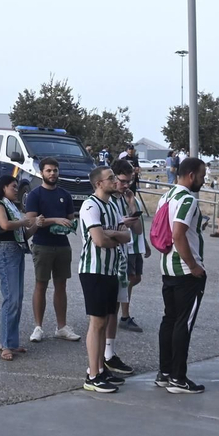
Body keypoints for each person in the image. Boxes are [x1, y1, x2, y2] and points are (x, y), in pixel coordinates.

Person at [76, 165, 140, 392]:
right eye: (110, 178)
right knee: (97, 322)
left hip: (112, 270)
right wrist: (112, 236)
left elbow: (126, 235)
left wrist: (110, 233)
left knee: (104, 321)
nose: (115, 181)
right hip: (94, 270)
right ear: (98, 184)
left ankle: (101, 369)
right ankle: (92, 376)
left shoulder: (112, 205)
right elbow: (98, 240)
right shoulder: (90, 205)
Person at [157, 157, 209, 395]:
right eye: (201, 176)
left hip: (167, 266)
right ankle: (178, 377)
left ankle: (165, 372)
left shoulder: (165, 197)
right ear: (190, 176)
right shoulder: (187, 199)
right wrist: (193, 265)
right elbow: (178, 234)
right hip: (185, 270)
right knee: (183, 323)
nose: (203, 180)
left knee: (169, 320)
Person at [23, 157, 81, 343]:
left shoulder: (65, 194)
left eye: (55, 170)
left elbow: (70, 218)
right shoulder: (35, 195)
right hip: (42, 244)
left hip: (63, 245)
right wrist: (54, 220)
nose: (52, 173)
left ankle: (61, 327)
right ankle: (38, 327)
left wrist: (69, 224)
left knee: (61, 286)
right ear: (41, 173)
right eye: (48, 170)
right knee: (41, 285)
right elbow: (31, 221)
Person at [0, 175, 41, 359]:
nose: (16, 189)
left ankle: (12, 342)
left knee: (17, 298)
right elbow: (5, 225)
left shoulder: (13, 207)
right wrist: (24, 221)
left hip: (17, 250)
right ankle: (5, 344)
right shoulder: (0, 206)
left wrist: (35, 226)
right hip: (6, 252)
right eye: (13, 186)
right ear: (3, 188)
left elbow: (23, 234)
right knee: (11, 299)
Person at [112, 160, 148, 333]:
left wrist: (132, 205)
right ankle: (123, 315)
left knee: (135, 278)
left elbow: (139, 228)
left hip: (134, 245)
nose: (126, 185)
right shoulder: (109, 200)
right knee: (126, 280)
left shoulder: (129, 198)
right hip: (121, 247)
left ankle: (121, 313)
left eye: (129, 181)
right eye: (123, 181)